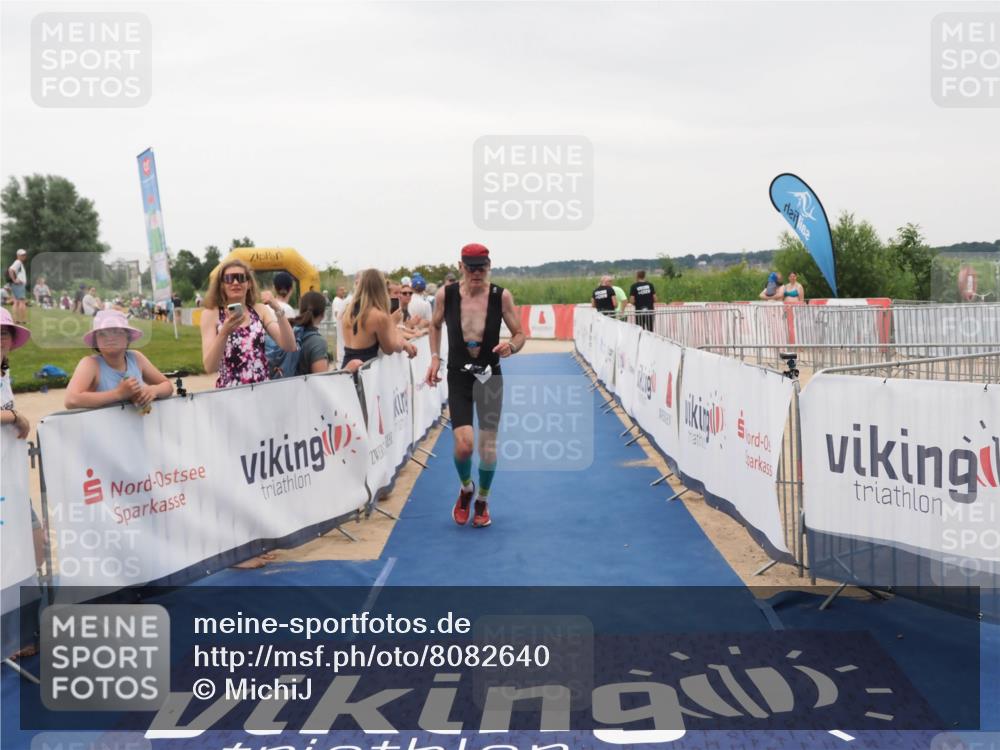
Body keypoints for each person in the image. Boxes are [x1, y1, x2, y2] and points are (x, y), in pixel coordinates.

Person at [425, 243, 526, 529]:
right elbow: (434, 325)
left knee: (488, 447)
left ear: (489, 266)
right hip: (458, 375)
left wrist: (511, 347)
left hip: (490, 376)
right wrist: (434, 357)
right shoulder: (446, 294)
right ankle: (466, 488)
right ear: (461, 267)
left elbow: (520, 334)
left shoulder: (500, 296)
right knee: (465, 445)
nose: (477, 273)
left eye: (482, 267)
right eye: (471, 268)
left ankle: (482, 498)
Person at [0, 308, 47, 597]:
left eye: (4, 333)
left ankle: (25, 613)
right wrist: (16, 417)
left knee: (36, 545)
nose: (0, 339)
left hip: (10, 475)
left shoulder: (4, 374)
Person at [200, 260, 296, 389]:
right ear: (221, 285)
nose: (235, 283)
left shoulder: (260, 310)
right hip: (229, 394)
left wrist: (277, 308)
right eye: (229, 278)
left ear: (249, 283)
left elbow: (290, 345)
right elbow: (209, 367)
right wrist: (224, 332)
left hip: (261, 391)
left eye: (240, 278)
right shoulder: (211, 314)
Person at [64, 310, 174, 410]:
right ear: (96, 341)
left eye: (116, 331)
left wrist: (153, 391)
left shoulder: (136, 358)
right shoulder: (91, 364)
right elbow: (71, 400)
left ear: (128, 337)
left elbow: (167, 386)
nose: (110, 338)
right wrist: (119, 393)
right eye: (102, 334)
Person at [340, 269, 416, 371]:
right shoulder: (378, 316)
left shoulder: (348, 311)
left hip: (347, 367)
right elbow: (389, 349)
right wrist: (392, 323)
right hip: (366, 372)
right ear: (381, 288)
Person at [286, 291, 330, 375]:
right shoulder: (317, 342)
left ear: (300, 310)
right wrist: (347, 370)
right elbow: (322, 380)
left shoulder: (289, 332)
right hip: (305, 388)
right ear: (323, 314)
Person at [7, 248, 28, 325]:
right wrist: (14, 280)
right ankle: (22, 320)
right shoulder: (18, 262)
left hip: (17, 285)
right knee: (22, 302)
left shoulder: (19, 263)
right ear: (18, 255)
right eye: (22, 255)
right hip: (19, 285)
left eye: (24, 255)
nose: (24, 256)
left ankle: (15, 319)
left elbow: (11, 270)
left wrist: (14, 280)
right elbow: (10, 269)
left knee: (16, 302)